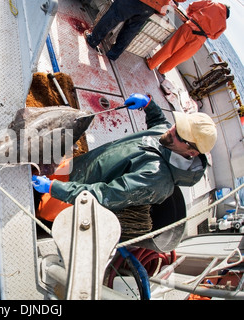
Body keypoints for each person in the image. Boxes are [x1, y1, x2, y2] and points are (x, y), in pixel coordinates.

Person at [32, 93, 217, 222]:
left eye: (179, 133)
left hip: (75, 193)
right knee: (50, 172)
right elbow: (160, 123)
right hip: (81, 165)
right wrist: (148, 105)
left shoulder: (156, 180)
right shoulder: (169, 136)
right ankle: (48, 182)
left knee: (42, 210)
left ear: (191, 152)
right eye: (177, 125)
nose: (171, 130)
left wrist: (54, 188)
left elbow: (105, 194)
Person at [84, 0, 186, 61]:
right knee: (131, 29)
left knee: (114, 16)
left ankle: (93, 40)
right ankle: (114, 54)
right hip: (154, 6)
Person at [147, 1, 230, 74]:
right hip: (199, 40)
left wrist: (190, 15)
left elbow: (192, 5)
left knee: (170, 48)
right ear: (226, 15)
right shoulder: (224, 25)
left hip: (189, 28)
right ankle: (162, 70)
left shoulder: (210, 3)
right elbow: (214, 37)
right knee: (179, 57)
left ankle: (152, 64)